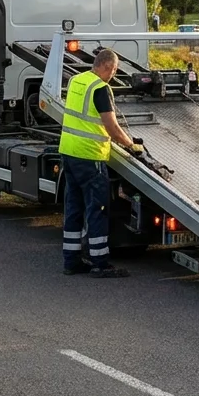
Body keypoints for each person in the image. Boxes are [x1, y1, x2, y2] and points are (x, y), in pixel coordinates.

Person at [59, 48, 140, 278]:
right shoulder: (101, 88)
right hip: (90, 156)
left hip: (69, 153)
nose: (113, 75)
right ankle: (99, 263)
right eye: (114, 70)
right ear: (107, 66)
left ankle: (71, 261)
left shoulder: (77, 80)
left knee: (74, 208)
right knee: (98, 209)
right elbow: (111, 127)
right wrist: (131, 144)